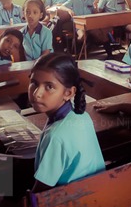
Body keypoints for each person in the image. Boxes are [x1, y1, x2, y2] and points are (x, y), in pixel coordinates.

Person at [29, 53, 105, 192]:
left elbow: (41, 190)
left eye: (49, 87)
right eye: (34, 83)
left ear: (69, 93)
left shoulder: (55, 136)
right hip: (97, 192)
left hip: (72, 203)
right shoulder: (82, 116)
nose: (36, 93)